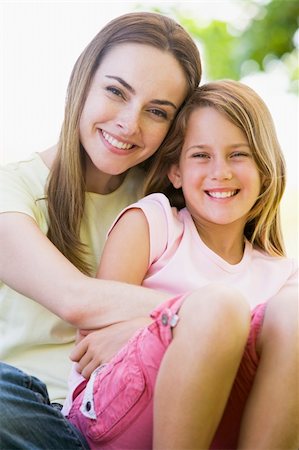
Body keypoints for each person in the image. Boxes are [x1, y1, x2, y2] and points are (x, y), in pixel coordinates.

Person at [0, 11, 202, 449]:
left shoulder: (165, 205)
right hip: (25, 410)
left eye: (157, 111)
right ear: (82, 82)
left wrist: (151, 328)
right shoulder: (10, 189)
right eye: (116, 91)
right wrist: (185, 317)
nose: (130, 124)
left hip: (117, 409)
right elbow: (75, 299)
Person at [64, 80, 298, 449]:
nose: (220, 171)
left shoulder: (281, 274)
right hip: (110, 413)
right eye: (201, 156)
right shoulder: (154, 223)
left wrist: (152, 325)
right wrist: (180, 325)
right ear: (175, 171)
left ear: (264, 169)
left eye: (238, 154)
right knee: (219, 305)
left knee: (294, 314)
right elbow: (93, 344)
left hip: (222, 424)